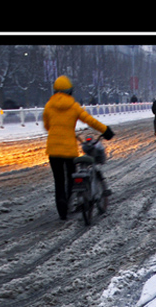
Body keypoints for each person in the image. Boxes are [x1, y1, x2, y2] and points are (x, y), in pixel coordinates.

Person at [42, 75, 114, 219]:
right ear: (70, 91)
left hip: (53, 150)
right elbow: (90, 121)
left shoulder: (49, 106)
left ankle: (62, 209)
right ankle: (69, 201)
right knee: (70, 179)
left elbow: (47, 126)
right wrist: (105, 130)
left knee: (59, 181)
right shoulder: (73, 106)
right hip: (69, 150)